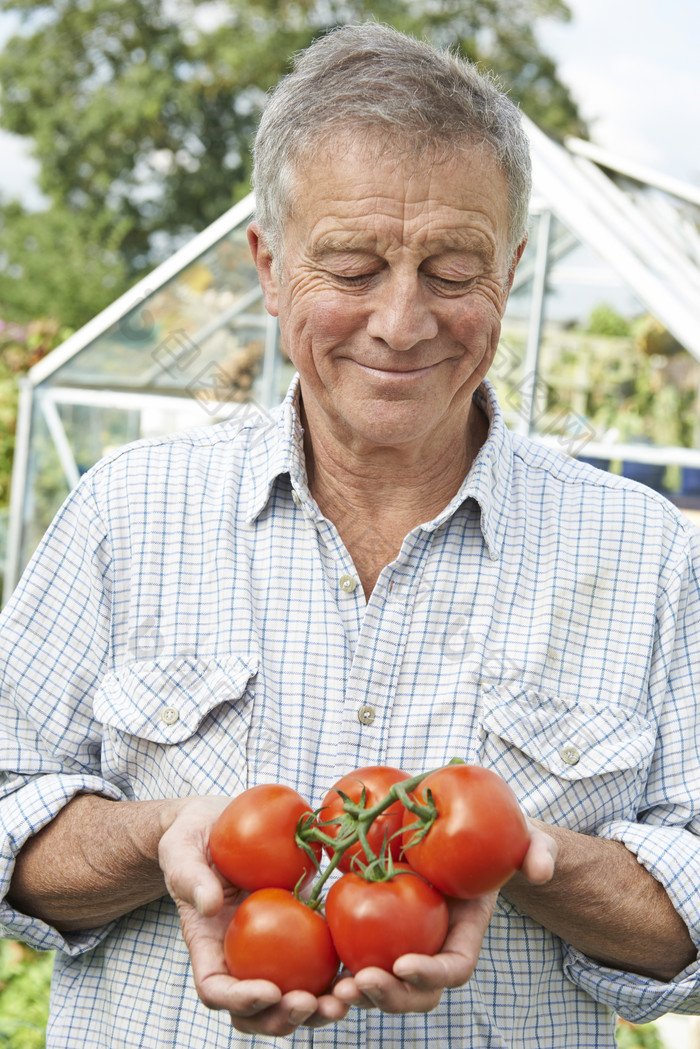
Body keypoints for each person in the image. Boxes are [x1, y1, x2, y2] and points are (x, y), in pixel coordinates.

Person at [1, 21, 700, 1049]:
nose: (401, 320)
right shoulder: (125, 511)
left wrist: (520, 855)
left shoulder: (646, 554)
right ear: (268, 265)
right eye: (354, 264)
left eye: (453, 269)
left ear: (510, 268)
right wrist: (163, 836)